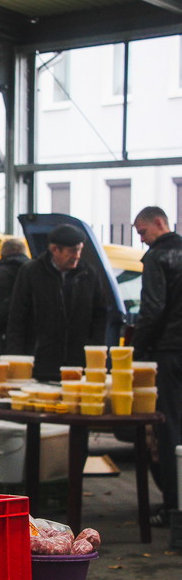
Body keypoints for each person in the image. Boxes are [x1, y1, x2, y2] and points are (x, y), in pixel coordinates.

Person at [4, 224, 107, 383]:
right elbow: (17, 318)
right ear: (54, 250)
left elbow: (100, 316)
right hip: (40, 364)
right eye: (72, 250)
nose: (77, 256)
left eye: (79, 250)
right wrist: (17, 359)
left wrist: (93, 351)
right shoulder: (31, 272)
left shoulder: (88, 274)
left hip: (77, 366)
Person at [132, 206, 182, 526]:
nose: (142, 239)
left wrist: (139, 350)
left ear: (159, 223)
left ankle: (174, 507)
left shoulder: (156, 258)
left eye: (142, 232)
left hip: (170, 352)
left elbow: (153, 308)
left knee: (170, 428)